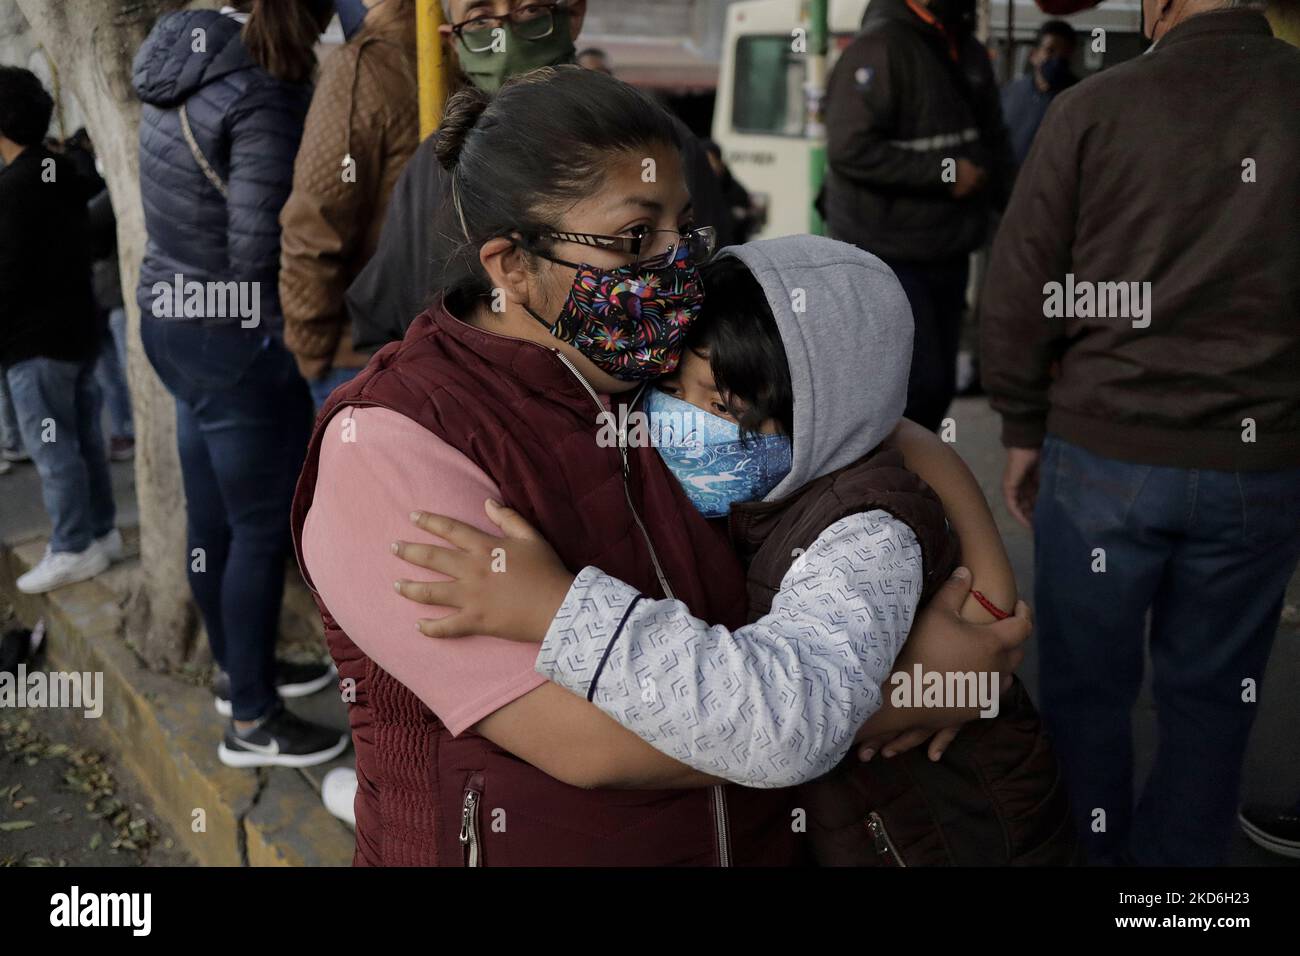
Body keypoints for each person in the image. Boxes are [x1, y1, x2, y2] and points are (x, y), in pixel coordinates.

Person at [295, 68, 1031, 866]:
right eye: (635, 237)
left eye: (683, 229)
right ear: (510, 266)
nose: (674, 270)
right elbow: (593, 747)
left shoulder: (643, 358)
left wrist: (990, 604)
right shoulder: (391, 445)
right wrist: (910, 690)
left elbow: (857, 417)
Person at [980, 0, 1300, 866]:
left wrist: (1019, 423)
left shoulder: (1092, 107)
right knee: (1213, 700)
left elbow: (1020, 283)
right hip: (1262, 462)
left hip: (1103, 456)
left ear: (1159, 6)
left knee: (1086, 692)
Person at [134, 0, 342, 767]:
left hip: (171, 319)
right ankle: (252, 723)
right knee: (257, 530)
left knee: (213, 517)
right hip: (236, 340)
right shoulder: (260, 85)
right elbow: (260, 248)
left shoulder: (174, 60)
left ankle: (236, 674)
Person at [343, 0, 734, 353]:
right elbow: (386, 314)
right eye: (480, 19)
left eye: (530, 10)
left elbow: (712, 300)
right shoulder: (432, 164)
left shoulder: (657, 146)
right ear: (452, 41)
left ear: (573, 14)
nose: (506, 36)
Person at [823, 0, 1013, 431]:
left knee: (938, 384)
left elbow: (994, 141)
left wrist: (1020, 210)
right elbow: (849, 149)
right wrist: (946, 175)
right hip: (889, 252)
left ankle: (908, 485)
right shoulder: (881, 47)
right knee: (912, 387)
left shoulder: (966, 48)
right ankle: (884, 486)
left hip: (949, 247)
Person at [0, 67, 122, 593]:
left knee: (55, 449)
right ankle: (101, 532)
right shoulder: (60, 169)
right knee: (82, 441)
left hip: (34, 342)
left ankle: (73, 544)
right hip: (77, 331)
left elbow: (8, 275)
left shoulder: (13, 187)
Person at [279, 0, 419, 408]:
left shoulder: (361, 68)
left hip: (355, 352)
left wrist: (312, 350)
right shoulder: (453, 56)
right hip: (423, 344)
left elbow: (316, 223)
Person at [1001, 20, 1078, 168]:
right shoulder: (1011, 92)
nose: (1057, 60)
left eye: (1065, 54)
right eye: (1050, 50)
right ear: (1033, 55)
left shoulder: (1079, 98)